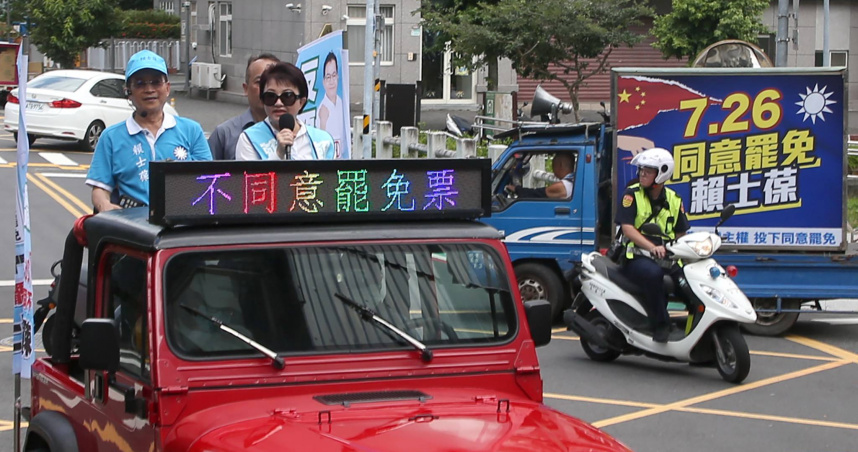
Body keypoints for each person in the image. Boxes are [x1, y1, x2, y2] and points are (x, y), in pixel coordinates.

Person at [86, 50, 211, 212]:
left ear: (167, 88)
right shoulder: (111, 137)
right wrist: (106, 206)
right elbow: (100, 188)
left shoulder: (191, 130)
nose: (149, 89)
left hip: (181, 223)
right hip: (133, 226)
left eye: (156, 82)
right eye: (140, 83)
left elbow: (208, 179)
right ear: (128, 91)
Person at [614, 147, 690, 343]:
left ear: (662, 173)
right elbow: (628, 228)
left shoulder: (674, 199)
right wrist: (652, 247)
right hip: (636, 257)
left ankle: (696, 328)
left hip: (666, 257)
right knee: (654, 276)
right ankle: (661, 325)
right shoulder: (631, 195)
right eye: (641, 170)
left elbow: (681, 233)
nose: (642, 174)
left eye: (647, 171)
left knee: (688, 283)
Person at [236, 62, 335, 160]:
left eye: (287, 96)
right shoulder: (249, 139)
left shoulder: (323, 140)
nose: (278, 103)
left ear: (301, 102)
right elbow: (249, 176)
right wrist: (278, 154)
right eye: (271, 96)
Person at [207, 53, 279, 160]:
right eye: (259, 82)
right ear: (246, 88)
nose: (267, 89)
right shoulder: (225, 134)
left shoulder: (298, 133)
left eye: (273, 83)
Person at [316, 52, 346, 158]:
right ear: (324, 81)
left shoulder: (341, 102)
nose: (332, 81)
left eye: (334, 75)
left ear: (338, 77)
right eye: (328, 77)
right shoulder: (322, 110)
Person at [506, 153, 575, 198]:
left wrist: (516, 189)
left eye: (553, 165)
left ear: (560, 165)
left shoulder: (563, 186)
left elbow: (536, 194)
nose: (552, 168)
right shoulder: (574, 180)